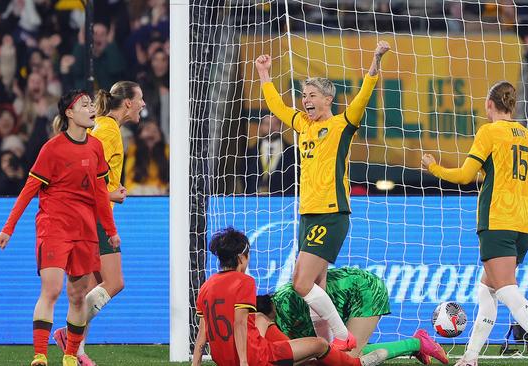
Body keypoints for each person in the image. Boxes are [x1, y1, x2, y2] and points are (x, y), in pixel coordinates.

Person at [254, 40, 390, 350]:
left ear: (328, 98)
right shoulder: (302, 125)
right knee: (317, 285)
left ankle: (343, 337)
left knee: (300, 284)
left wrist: (375, 59)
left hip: (331, 213)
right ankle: (326, 349)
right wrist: (264, 74)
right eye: (303, 96)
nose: (306, 101)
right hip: (308, 213)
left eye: (312, 95)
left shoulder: (342, 125)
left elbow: (364, 96)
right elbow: (277, 106)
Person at [421, 81, 528, 366]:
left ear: (489, 104)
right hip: (524, 224)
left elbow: (464, 176)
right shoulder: (527, 136)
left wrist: (433, 167)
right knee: (487, 288)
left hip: (497, 220)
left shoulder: (489, 132)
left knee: (506, 287)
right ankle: (471, 357)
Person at [0, 90, 120, 366]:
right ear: (69, 113)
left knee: (77, 297)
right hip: (54, 228)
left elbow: (100, 194)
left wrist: (110, 231)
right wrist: (8, 228)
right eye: (84, 105)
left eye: (91, 105)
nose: (91, 109)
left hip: (85, 231)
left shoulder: (96, 147)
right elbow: (29, 190)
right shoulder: (52, 148)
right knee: (51, 290)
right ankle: (40, 355)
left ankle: (69, 357)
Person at [191, 227, 388, 366]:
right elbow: (240, 325)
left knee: (260, 318)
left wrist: (196, 363)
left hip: (224, 360)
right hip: (255, 358)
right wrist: (244, 362)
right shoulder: (244, 282)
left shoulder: (207, 286)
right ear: (242, 257)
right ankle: (356, 364)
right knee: (320, 345)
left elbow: (202, 334)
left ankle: (298, 356)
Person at [53, 81, 144, 366]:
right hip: (92, 216)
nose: (143, 104)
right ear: (127, 103)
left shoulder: (106, 127)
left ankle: (77, 351)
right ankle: (68, 333)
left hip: (89, 215)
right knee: (114, 282)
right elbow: (81, 172)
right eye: (140, 99)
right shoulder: (107, 130)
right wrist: (109, 194)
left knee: (90, 286)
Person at [256, 267, 449, 365]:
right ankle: (416, 344)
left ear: (264, 316)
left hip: (364, 291)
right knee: (338, 358)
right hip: (346, 302)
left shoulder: (287, 306)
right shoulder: (277, 313)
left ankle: (416, 343)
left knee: (345, 360)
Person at [244, 114, 297, 195]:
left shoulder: (294, 153)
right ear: (260, 126)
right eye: (267, 124)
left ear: (282, 127)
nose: (271, 128)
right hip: (254, 203)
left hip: (284, 203)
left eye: (275, 124)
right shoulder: (248, 154)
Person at [124, 119, 169, 195]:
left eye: (155, 131)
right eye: (148, 129)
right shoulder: (132, 149)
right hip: (135, 193)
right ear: (139, 134)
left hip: (161, 194)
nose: (151, 133)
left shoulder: (166, 151)